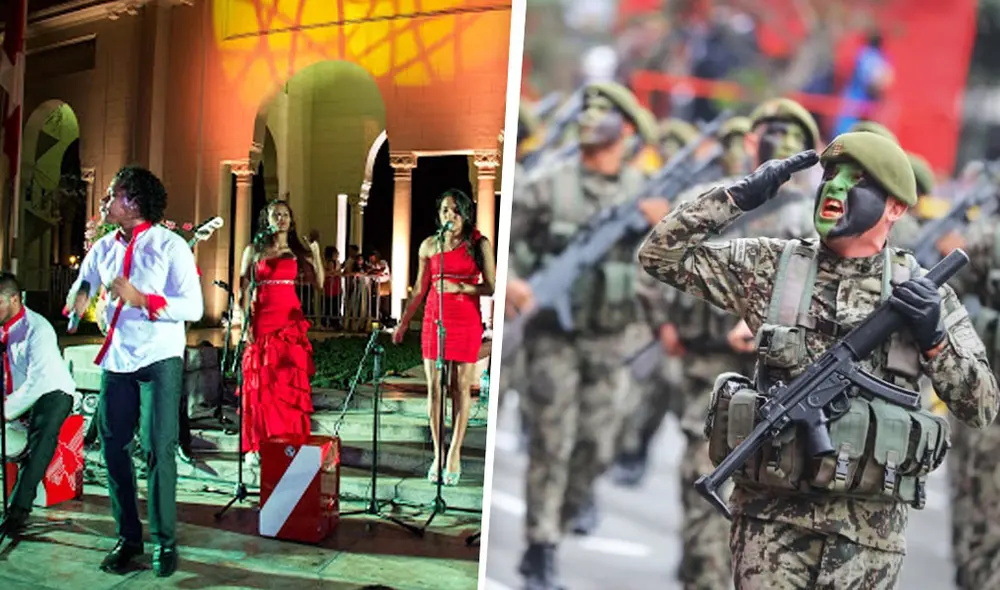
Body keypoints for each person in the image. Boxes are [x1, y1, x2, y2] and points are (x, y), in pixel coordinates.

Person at [637, 133, 999, 588]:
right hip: (771, 526)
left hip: (869, 536)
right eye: (830, 175)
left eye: (858, 180)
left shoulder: (925, 295)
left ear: (896, 208)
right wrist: (736, 197)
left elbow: (981, 405)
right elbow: (659, 255)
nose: (836, 187)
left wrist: (935, 341)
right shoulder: (772, 267)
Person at [616, 102, 821, 590]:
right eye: (772, 132)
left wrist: (767, 329)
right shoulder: (711, 200)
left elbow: (823, 297)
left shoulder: (809, 221)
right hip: (705, 369)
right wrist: (662, 325)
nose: (782, 142)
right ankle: (701, 572)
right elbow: (656, 256)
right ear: (751, 141)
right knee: (703, 489)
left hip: (775, 382)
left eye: (794, 135)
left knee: (758, 510)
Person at [503, 80, 665, 590]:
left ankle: (564, 515)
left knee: (597, 446)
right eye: (587, 109)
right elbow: (499, 234)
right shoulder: (550, 184)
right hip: (554, 337)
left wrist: (663, 228)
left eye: (604, 113)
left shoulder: (642, 195)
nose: (590, 119)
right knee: (552, 442)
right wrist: (509, 281)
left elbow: (668, 266)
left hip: (611, 338)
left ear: (627, 130)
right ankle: (540, 547)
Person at [66, 165, 204, 577]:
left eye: (113, 194)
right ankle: (128, 537)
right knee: (112, 448)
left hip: (160, 357)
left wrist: (144, 299)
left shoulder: (170, 246)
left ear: (134, 202)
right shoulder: (104, 247)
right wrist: (78, 301)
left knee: (158, 448)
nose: (105, 201)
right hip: (118, 359)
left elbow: (192, 308)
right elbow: (84, 282)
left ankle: (165, 542)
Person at [393, 189, 496, 485]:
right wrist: (402, 324)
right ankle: (438, 453)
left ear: (464, 213)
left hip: (465, 320)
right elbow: (418, 290)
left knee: (459, 387)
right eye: (444, 211)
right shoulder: (429, 246)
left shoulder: (479, 244)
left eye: (454, 210)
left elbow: (490, 286)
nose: (449, 216)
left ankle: (455, 452)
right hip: (433, 320)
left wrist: (461, 289)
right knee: (435, 388)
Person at [928, 214, 1000, 590]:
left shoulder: (988, 236)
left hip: (986, 415)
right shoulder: (990, 238)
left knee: (982, 531)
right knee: (976, 526)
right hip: (985, 406)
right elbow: (945, 284)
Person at [238, 199, 323, 465]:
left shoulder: (297, 251)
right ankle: (257, 443)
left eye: (286, 214)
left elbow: (319, 283)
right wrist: (244, 321)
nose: (282, 218)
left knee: (287, 381)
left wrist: (316, 253)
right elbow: (242, 288)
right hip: (262, 317)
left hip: (289, 319)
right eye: (276, 214)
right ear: (268, 219)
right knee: (262, 381)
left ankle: (287, 439)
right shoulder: (254, 249)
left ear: (291, 220)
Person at [0, 273, 79, 537]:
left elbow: (38, 381)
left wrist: (6, 410)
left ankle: (19, 510)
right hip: (15, 394)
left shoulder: (38, 328)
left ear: (14, 299)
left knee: (42, 437)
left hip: (52, 390)